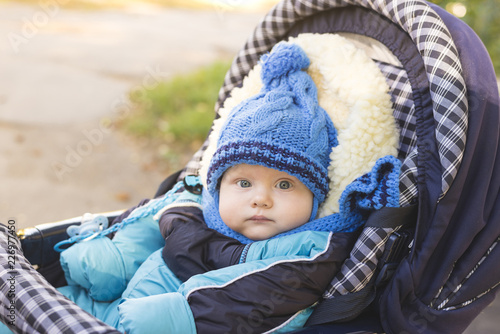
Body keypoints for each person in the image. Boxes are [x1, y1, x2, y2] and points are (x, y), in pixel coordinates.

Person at [1, 42, 400, 334]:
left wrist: (166, 318)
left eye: (284, 184)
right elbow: (152, 226)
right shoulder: (196, 206)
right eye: (243, 182)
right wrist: (106, 258)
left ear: (316, 198)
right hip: (101, 309)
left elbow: (251, 302)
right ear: (218, 186)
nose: (261, 197)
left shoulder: (305, 252)